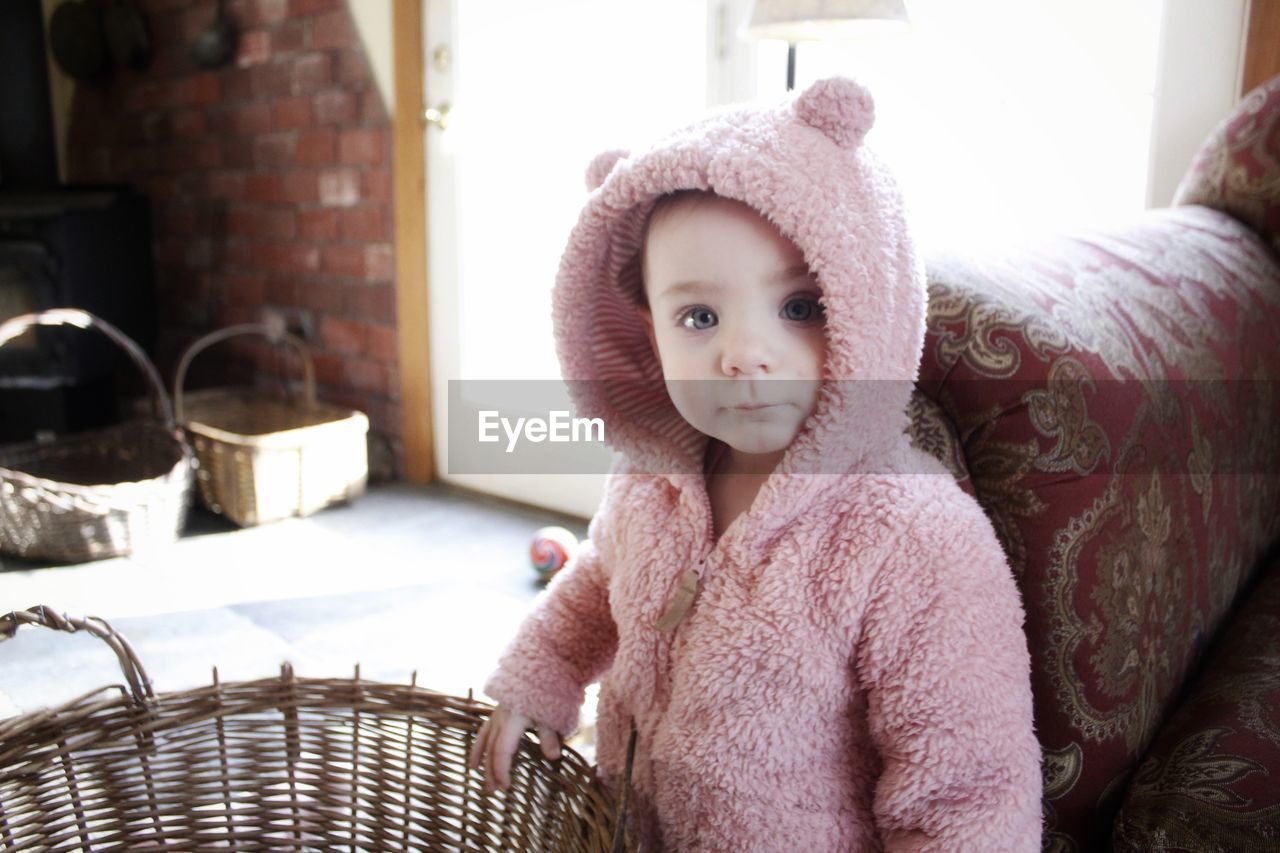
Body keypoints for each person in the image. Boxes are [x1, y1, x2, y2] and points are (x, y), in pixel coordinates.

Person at [467, 76, 1043, 851]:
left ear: (865, 302)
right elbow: (602, 581)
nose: (742, 355)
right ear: (648, 332)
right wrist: (543, 676)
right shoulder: (649, 482)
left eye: (799, 307)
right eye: (698, 317)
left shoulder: (915, 537)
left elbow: (969, 791)